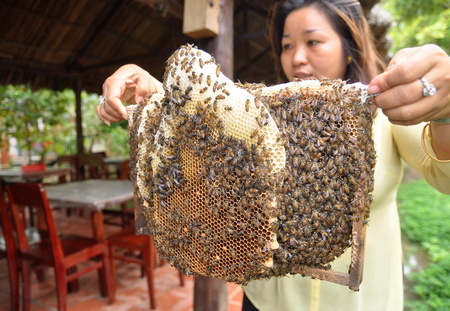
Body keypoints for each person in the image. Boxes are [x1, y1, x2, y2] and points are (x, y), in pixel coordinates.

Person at [97, 0, 450, 310]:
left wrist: (444, 110)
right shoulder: (260, 117)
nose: (297, 58)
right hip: (267, 301)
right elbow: (206, 132)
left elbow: (443, 172)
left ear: (349, 46)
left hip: (360, 305)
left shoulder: (388, 114)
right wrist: (153, 93)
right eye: (286, 45)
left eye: (313, 41)